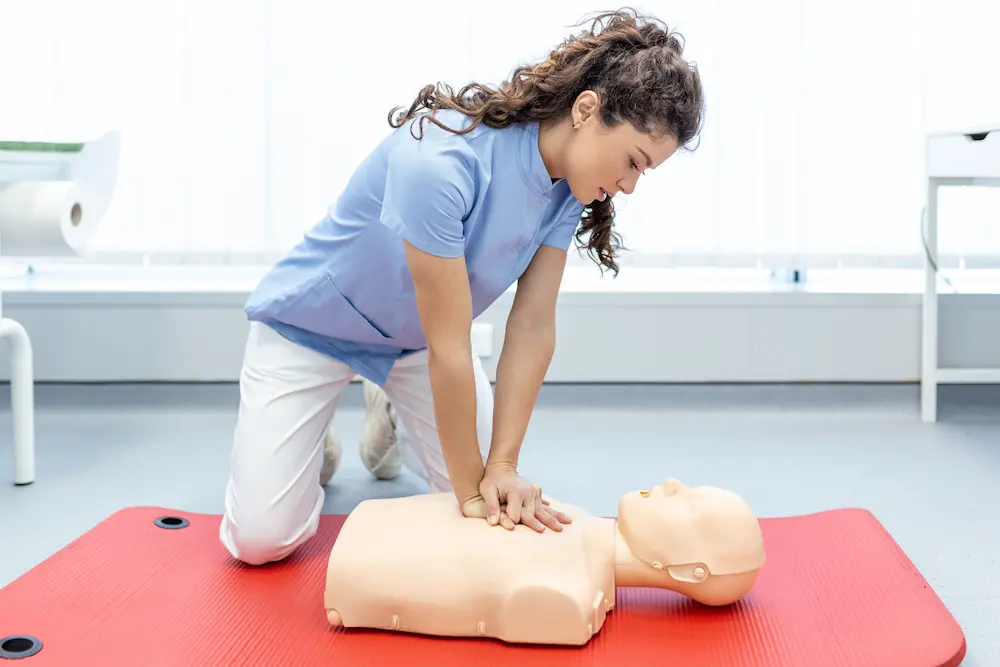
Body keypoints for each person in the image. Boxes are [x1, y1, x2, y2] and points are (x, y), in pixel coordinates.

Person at [219, 8, 705, 566]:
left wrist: (501, 466)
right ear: (587, 109)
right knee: (260, 541)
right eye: (632, 162)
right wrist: (477, 494)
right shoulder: (441, 163)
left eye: (644, 172)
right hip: (311, 328)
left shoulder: (570, 190)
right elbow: (452, 348)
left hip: (417, 345)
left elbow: (532, 324)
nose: (630, 185)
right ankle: (316, 437)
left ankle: (386, 405)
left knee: (471, 502)